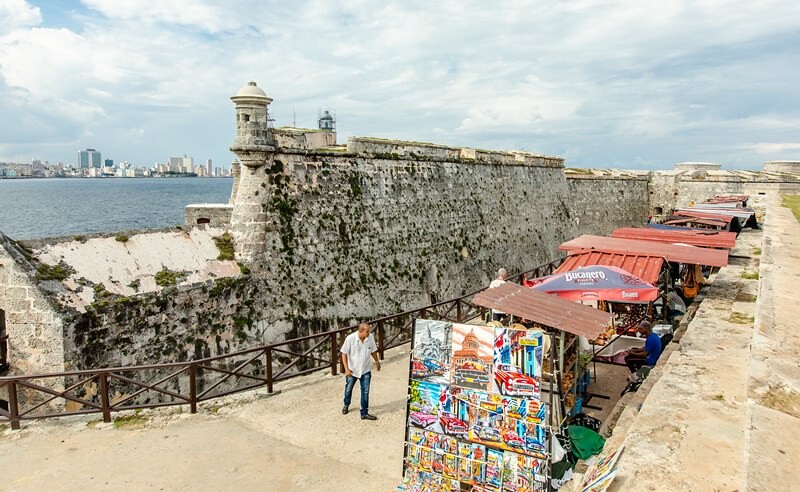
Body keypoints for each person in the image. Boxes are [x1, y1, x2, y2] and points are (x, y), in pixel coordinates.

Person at [340, 322, 381, 420]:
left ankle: (364, 413)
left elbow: (373, 350)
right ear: (360, 331)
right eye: (367, 331)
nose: (369, 333)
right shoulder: (350, 338)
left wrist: (377, 362)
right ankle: (346, 404)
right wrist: (346, 369)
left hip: (365, 369)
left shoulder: (370, 337)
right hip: (352, 369)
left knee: (365, 391)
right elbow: (343, 353)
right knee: (348, 388)